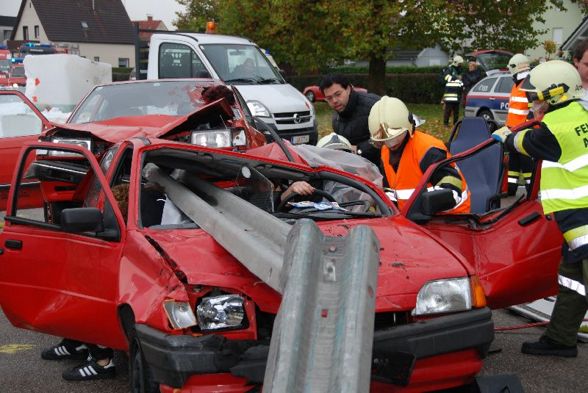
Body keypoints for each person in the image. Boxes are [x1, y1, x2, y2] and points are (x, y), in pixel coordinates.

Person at [491, 60, 586, 357]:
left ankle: (561, 339)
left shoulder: (555, 127)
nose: (533, 102)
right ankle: (560, 339)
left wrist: (504, 136)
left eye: (537, 97)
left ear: (554, 94)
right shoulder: (580, 113)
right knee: (573, 281)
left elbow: (525, 143)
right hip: (576, 220)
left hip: (583, 219)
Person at [368, 96, 470, 213]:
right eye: (384, 140)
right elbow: (392, 190)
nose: (391, 144)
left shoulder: (428, 149)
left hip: (452, 218)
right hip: (412, 220)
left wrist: (422, 206)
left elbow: (452, 189)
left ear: (408, 127)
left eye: (395, 137)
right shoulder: (385, 151)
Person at [319, 74, 381, 165]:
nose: (334, 100)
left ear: (348, 89)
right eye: (329, 98)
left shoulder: (375, 105)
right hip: (357, 169)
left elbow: (388, 137)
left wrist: (359, 149)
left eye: (338, 94)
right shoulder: (336, 119)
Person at [504, 53, 534, 195]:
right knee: (513, 160)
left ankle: (531, 189)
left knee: (525, 160)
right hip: (513, 130)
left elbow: (533, 110)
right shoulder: (518, 84)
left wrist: (526, 128)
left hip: (523, 131)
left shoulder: (528, 84)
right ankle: (511, 189)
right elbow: (514, 110)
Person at [442, 55, 464, 126]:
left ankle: (456, 124)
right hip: (450, 94)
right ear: (457, 63)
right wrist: (456, 77)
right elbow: (446, 77)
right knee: (448, 110)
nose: (461, 65)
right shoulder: (450, 69)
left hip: (457, 94)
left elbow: (460, 81)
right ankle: (445, 123)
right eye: (460, 63)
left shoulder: (459, 70)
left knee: (456, 111)